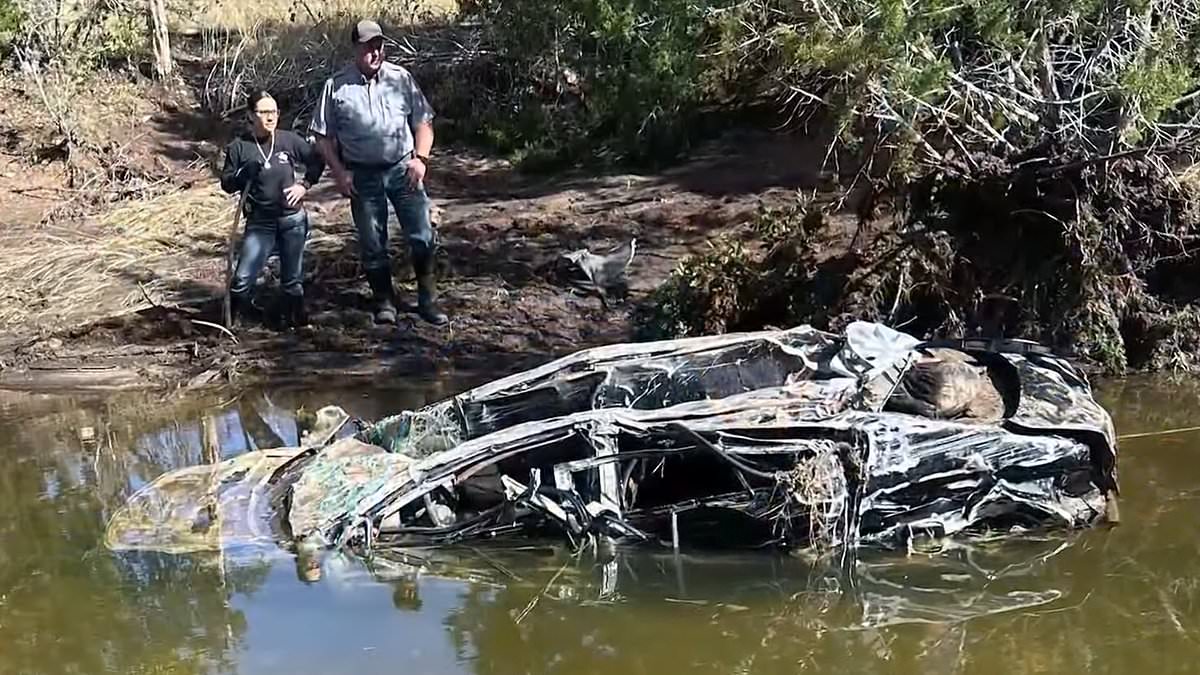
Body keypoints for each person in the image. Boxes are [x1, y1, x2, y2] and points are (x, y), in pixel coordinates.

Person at [309, 18, 448, 326]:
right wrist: (339, 173)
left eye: (379, 45)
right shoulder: (336, 86)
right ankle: (384, 300)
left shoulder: (401, 78)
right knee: (373, 242)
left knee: (422, 235)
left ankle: (428, 300)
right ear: (356, 49)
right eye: (368, 47)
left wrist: (421, 159)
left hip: (403, 170)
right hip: (362, 176)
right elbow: (322, 137)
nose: (375, 52)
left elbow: (423, 123)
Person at [220, 89, 324, 328]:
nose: (270, 117)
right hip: (260, 223)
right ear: (250, 115)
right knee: (243, 278)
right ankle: (233, 323)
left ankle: (296, 324)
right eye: (264, 112)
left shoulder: (288, 140)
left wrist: (304, 186)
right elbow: (226, 183)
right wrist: (241, 174)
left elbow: (316, 161)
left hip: (292, 220)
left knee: (292, 279)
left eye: (274, 111)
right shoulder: (239, 147)